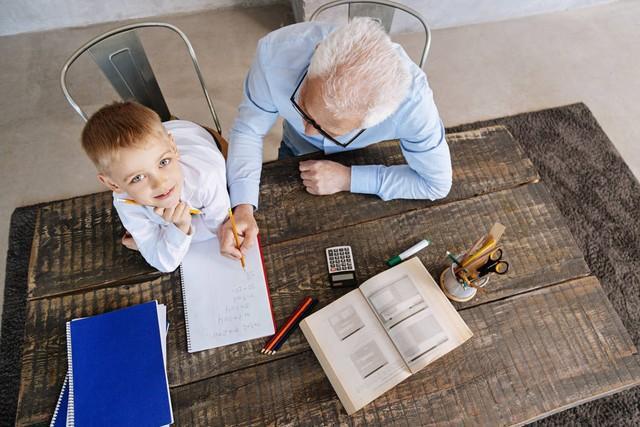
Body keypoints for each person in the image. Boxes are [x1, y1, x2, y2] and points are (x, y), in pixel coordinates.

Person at [220, 18, 452, 261]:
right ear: (316, 55)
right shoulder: (274, 54)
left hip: (359, 160)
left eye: (329, 130)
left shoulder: (413, 106)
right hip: (292, 151)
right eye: (303, 108)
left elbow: (436, 184)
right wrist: (243, 206)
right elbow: (248, 130)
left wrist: (348, 178)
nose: (308, 131)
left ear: (374, 119)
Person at [81, 101, 230, 272]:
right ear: (113, 184)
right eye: (137, 178)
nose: (160, 184)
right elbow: (165, 264)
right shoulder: (125, 203)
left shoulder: (205, 176)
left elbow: (221, 229)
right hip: (157, 141)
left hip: (199, 137)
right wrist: (180, 227)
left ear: (173, 148)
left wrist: (162, 239)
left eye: (163, 162)